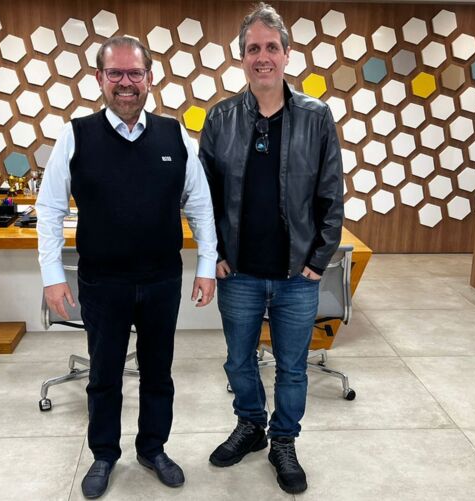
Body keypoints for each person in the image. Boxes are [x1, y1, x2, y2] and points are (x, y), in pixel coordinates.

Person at [36, 36, 217, 499]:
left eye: (134, 73)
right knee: (104, 375)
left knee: (159, 372)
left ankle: (153, 448)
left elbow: (200, 205)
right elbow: (50, 209)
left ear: (150, 78)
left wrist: (206, 265)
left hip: (160, 279)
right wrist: (53, 277)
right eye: (114, 73)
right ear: (99, 79)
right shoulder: (75, 135)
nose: (125, 82)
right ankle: (103, 453)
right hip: (103, 282)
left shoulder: (175, 135)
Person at [198, 2, 343, 495]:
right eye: (253, 48)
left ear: (287, 53)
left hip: (294, 274)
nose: (263, 56)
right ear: (242, 57)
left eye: (271, 47)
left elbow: (331, 194)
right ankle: (250, 426)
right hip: (236, 271)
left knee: (293, 367)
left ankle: (284, 439)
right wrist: (210, 252)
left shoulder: (316, 117)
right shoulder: (220, 118)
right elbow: (204, 198)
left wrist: (317, 261)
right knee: (238, 362)